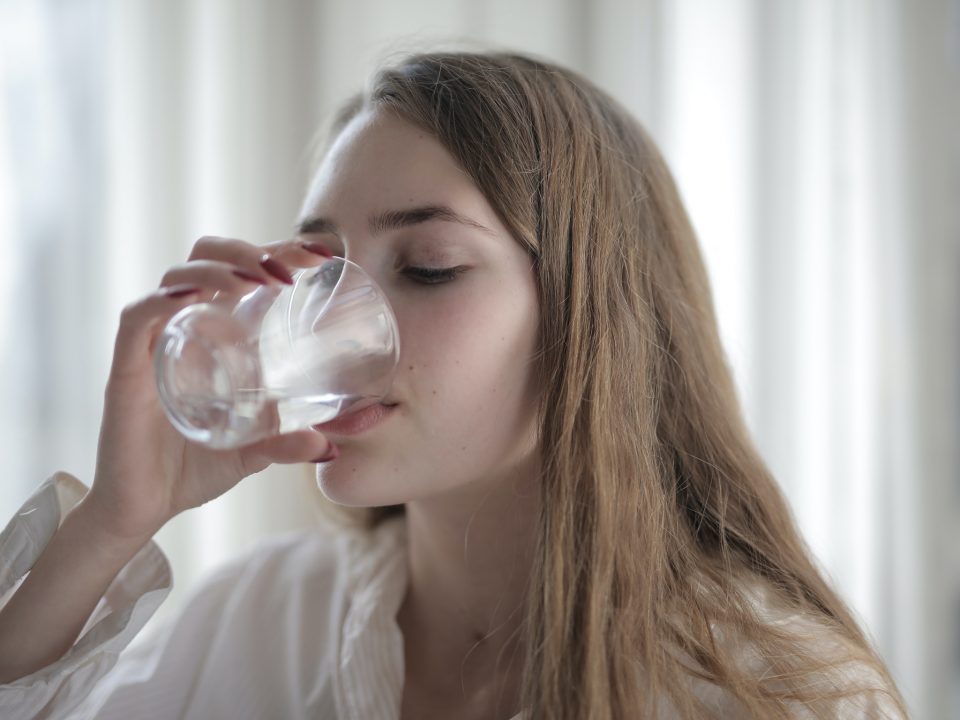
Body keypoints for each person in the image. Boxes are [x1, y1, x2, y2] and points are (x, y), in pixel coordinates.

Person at [0, 50, 909, 719]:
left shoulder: (780, 694)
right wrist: (109, 528)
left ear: (591, 319)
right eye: (320, 270)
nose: (325, 323)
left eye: (428, 266)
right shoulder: (262, 620)